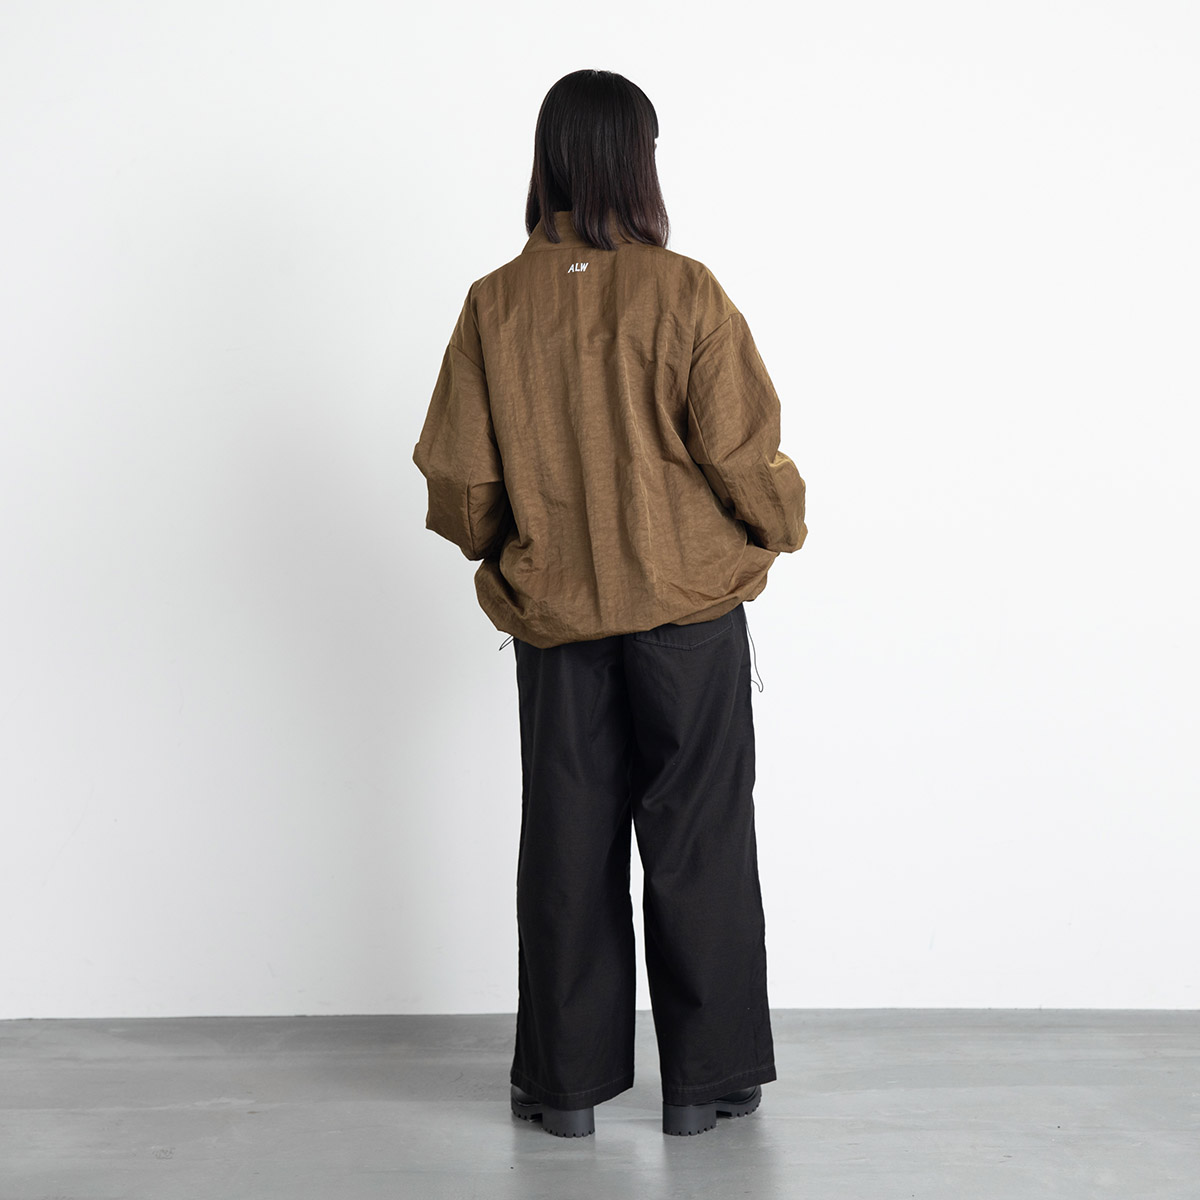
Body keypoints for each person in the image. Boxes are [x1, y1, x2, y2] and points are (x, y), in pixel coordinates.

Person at [412, 69, 807, 1138]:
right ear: (640, 161)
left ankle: (566, 1092)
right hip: (690, 616)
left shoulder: (495, 303)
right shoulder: (686, 291)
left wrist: (520, 548)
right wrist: (778, 527)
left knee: (567, 843)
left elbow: (461, 481)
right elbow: (746, 454)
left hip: (557, 622)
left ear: (546, 159)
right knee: (701, 837)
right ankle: (706, 1086)